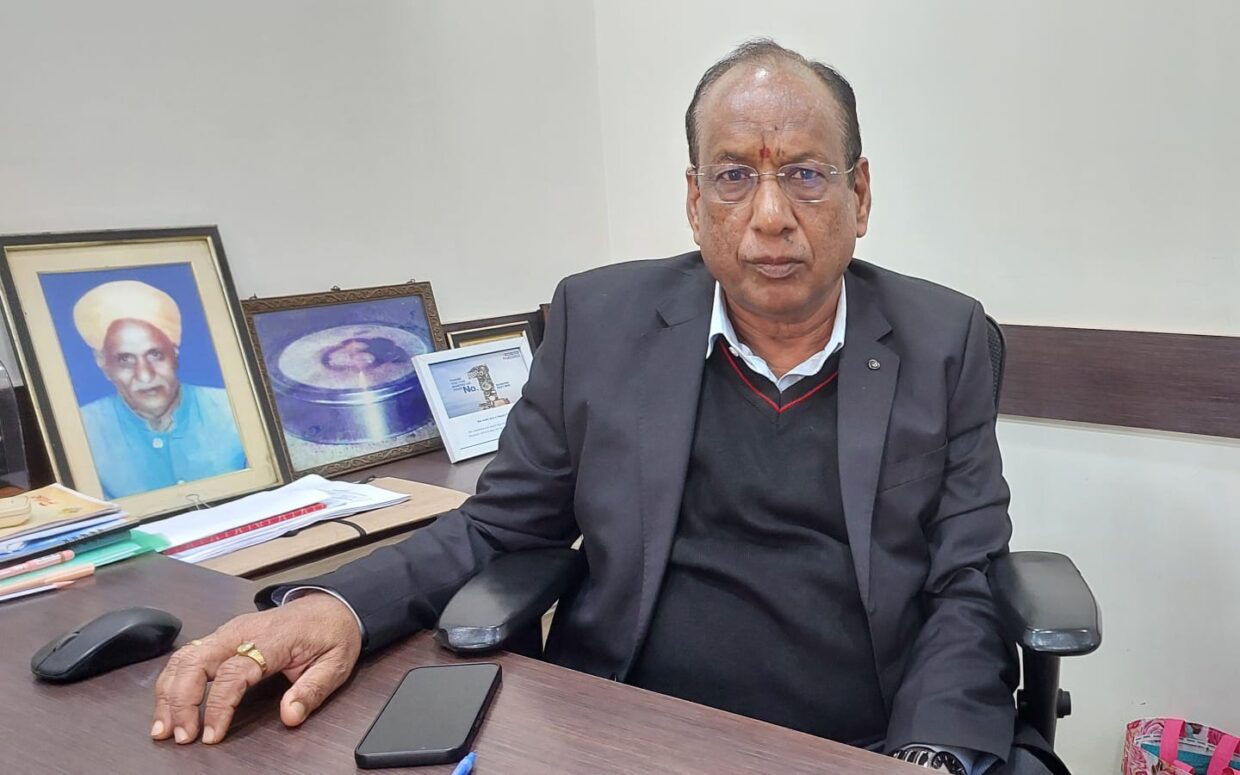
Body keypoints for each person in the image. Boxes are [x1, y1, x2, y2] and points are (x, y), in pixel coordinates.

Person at [151, 41, 1058, 773]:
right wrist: (336, 607)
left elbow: (966, 581)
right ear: (694, 201)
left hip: (857, 741)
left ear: (859, 194)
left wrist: (927, 755)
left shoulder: (944, 339)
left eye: (806, 175)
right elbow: (497, 528)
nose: (770, 215)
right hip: (620, 729)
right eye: (733, 176)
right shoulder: (599, 320)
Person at [72, 280, 247, 498]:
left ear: (175, 353)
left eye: (155, 354)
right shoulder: (81, 431)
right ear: (103, 364)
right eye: (125, 359)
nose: (145, 375)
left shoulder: (236, 410)